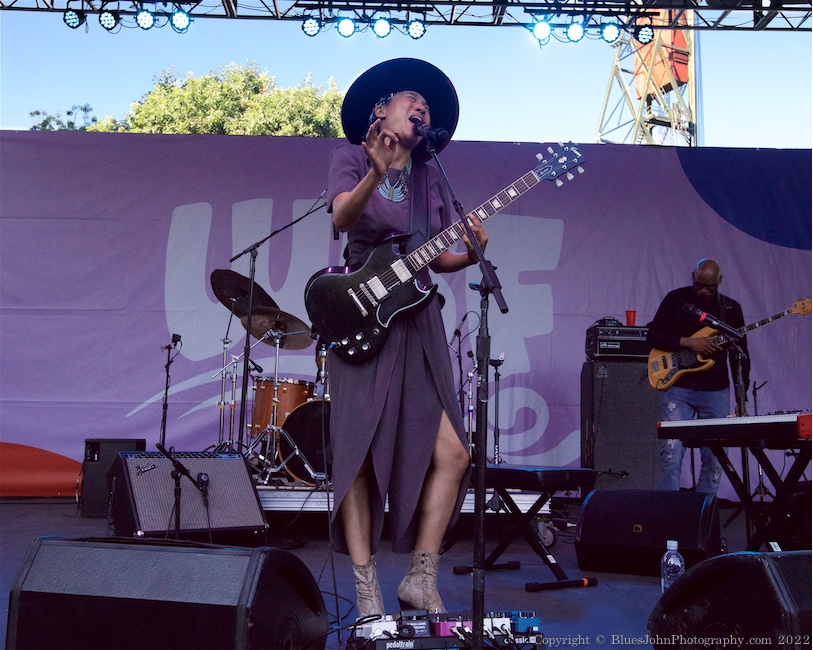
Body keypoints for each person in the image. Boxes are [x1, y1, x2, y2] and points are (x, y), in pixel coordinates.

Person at [322, 58, 487, 618]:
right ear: (381, 109)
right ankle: (367, 591)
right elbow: (343, 219)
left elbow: (435, 258)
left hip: (418, 320)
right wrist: (374, 172)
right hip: (361, 316)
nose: (423, 107)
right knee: (358, 457)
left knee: (455, 452)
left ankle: (421, 577)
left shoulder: (429, 174)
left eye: (428, 106)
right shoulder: (350, 156)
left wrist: (473, 255)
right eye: (412, 99)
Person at [646, 258, 750, 495]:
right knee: (671, 453)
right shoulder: (676, 299)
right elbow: (652, 335)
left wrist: (741, 396)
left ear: (719, 281)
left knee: (715, 458)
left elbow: (741, 355)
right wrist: (687, 342)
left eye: (709, 286)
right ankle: (668, 512)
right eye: (698, 284)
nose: (703, 291)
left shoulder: (731, 309)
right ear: (692, 277)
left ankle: (704, 511)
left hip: (716, 390)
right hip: (678, 386)